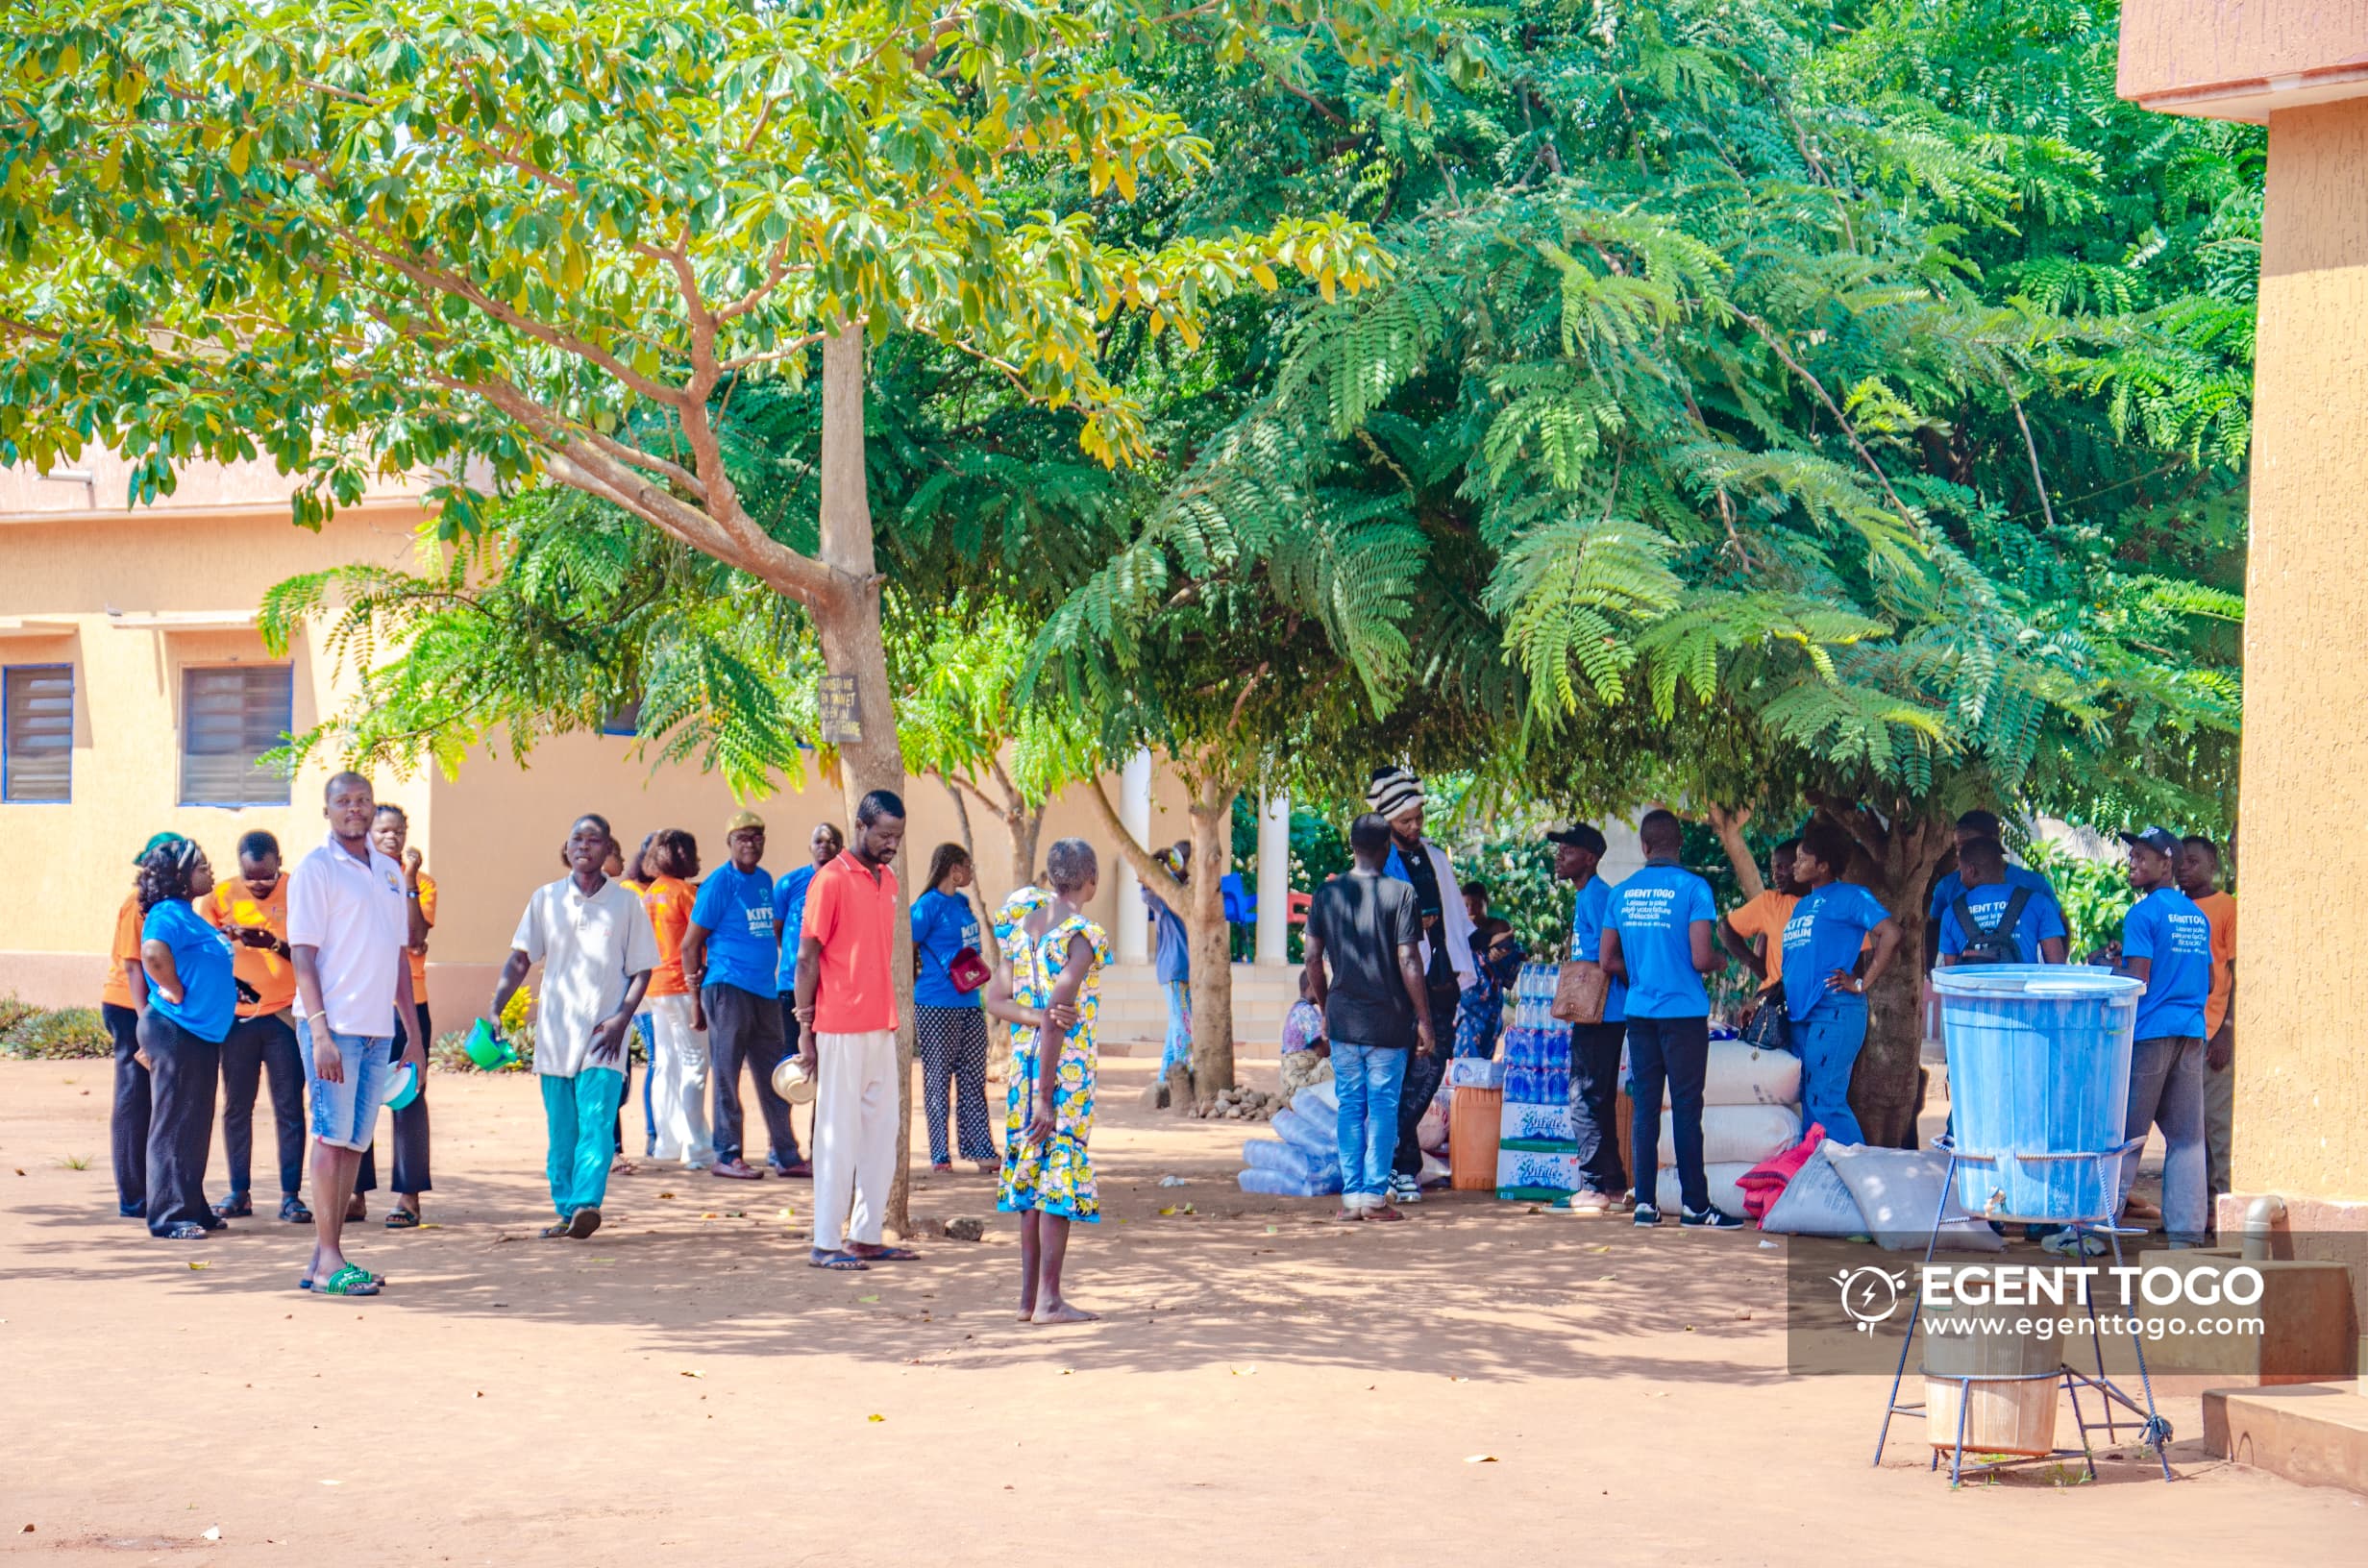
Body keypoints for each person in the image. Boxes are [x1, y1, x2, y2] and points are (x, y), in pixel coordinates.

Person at [486, 815, 659, 1239]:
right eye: (577, 839)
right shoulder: (545, 899)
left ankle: (586, 1202)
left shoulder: (626, 905)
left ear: (607, 850)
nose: (584, 846)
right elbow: (521, 958)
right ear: (566, 849)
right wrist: (495, 1006)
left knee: (597, 1120)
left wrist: (622, 1018)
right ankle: (565, 1209)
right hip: (555, 1036)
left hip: (604, 1035)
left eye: (594, 839)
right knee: (562, 1129)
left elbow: (641, 970)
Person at [287, 771, 425, 1297]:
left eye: (362, 800)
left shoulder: (390, 872)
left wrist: (412, 1035)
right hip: (334, 1029)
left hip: (376, 1032)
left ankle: (326, 1256)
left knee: (351, 1146)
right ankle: (328, 1261)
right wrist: (319, 1031)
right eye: (343, 801)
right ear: (327, 810)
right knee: (329, 1137)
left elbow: (397, 957)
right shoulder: (317, 869)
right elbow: (303, 954)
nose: (354, 808)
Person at [1599, 809, 1742, 1229]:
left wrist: (1643, 972)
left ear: (1644, 847)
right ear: (1679, 844)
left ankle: (1645, 1203)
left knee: (1644, 1110)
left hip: (1639, 1014)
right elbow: (1700, 956)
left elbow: (1607, 959)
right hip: (1684, 1016)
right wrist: (1720, 961)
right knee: (1684, 1108)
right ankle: (1695, 1205)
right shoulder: (1694, 888)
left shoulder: (1621, 893)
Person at [793, 789, 917, 1271]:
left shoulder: (888, 881)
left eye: (898, 837)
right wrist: (806, 1031)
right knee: (836, 1136)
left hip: (881, 1026)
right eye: (885, 835)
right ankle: (826, 1242)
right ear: (860, 826)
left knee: (880, 1138)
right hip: (839, 1027)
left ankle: (865, 1236)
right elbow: (807, 957)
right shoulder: (830, 880)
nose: (891, 845)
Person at [995, 837, 1108, 1317]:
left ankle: (1026, 1300)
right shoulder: (1082, 935)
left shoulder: (1022, 928)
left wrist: (1035, 1017)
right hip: (1061, 1075)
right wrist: (1047, 1097)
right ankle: (1050, 1299)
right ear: (1091, 881)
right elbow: (1061, 1013)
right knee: (1058, 1177)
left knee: (1030, 1176)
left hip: (1022, 1068)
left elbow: (995, 1001)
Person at [1302, 813, 1433, 1221]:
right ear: (1386, 848)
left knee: (1350, 1107)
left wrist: (1325, 1008)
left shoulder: (1326, 895)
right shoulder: (1402, 894)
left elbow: (1311, 957)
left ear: (1352, 846)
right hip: (1389, 1022)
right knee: (1382, 1108)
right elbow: (1409, 959)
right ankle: (1374, 1197)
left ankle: (1352, 1197)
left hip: (1343, 1019)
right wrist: (1424, 1019)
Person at [1367, 766, 1475, 1207]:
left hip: (1442, 978)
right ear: (1386, 820)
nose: (1414, 827)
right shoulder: (1376, 864)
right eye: (1405, 822)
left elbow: (1457, 917)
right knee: (1413, 1068)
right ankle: (1400, 1162)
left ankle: (1396, 1160)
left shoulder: (1435, 856)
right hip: (1403, 982)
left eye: (1418, 819)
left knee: (1432, 1066)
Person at [682, 810, 798, 1181]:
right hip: (727, 988)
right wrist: (694, 999)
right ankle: (727, 1154)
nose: (751, 843)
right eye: (743, 837)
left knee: (774, 1075)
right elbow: (690, 945)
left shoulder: (765, 880)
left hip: (765, 990)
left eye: (757, 837)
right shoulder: (719, 884)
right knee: (727, 1074)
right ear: (730, 843)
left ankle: (786, 1154)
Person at [2113, 826, 2212, 1243]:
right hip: (2191, 1033)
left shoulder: (2143, 915)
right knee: (2187, 1138)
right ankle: (2186, 1236)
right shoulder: (2196, 915)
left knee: (2126, 1136)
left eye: (2141, 857)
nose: (2132, 863)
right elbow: (2206, 980)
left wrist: (2108, 973)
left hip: (2150, 1034)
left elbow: (2138, 980)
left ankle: (2096, 1231)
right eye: (2132, 856)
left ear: (2166, 863)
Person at [135, 838, 236, 1239]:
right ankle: (169, 1216)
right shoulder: (166, 913)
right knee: (174, 1123)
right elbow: (153, 952)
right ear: (179, 877)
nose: (209, 871)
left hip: (198, 1033)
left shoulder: (188, 915)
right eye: (201, 866)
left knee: (193, 1122)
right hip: (175, 1030)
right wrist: (173, 987)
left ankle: (192, 1204)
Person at [1779, 824, 1905, 1147]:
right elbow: (1798, 963)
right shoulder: (1802, 906)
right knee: (1809, 1101)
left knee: (1826, 1102)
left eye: (1801, 859)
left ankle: (1860, 1177)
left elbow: (1890, 933)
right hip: (1800, 1016)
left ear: (1823, 865)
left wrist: (1862, 982)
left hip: (1833, 1012)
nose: (1794, 865)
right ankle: (1821, 1183)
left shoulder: (1851, 896)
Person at [207, 830, 310, 1223]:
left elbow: (308, 950)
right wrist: (225, 937)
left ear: (279, 862)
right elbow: (205, 947)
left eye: (267, 876)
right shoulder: (221, 896)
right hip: (239, 1018)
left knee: (288, 1107)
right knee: (237, 1107)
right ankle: (239, 1192)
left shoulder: (299, 891)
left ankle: (290, 1196)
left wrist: (271, 943)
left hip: (284, 1014)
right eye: (251, 878)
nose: (259, 885)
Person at [351, 803, 434, 1227]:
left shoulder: (422, 884)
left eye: (398, 831)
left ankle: (408, 1196)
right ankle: (355, 1193)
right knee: (358, 1099)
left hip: (409, 1007)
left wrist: (408, 880)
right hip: (365, 1003)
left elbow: (415, 939)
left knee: (408, 1098)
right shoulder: (355, 881)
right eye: (383, 830)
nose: (392, 837)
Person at [1552, 823, 1630, 1214]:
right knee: (1596, 1099)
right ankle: (1613, 1185)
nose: (1559, 855)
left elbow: (1616, 954)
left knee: (1582, 1097)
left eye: (1569, 849)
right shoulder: (1590, 896)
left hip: (1602, 1013)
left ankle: (1593, 1186)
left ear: (1591, 858)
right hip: (1601, 1013)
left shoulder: (1599, 896)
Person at [103, 836, 177, 1220]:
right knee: (133, 1101)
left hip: (150, 1005)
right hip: (129, 1005)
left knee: (152, 1101)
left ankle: (152, 1188)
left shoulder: (165, 905)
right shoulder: (138, 904)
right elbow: (134, 966)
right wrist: (146, 1022)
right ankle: (133, 1197)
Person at [912, 843, 996, 1174]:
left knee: (973, 1078)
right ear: (954, 870)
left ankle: (980, 1149)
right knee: (937, 1080)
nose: (972, 872)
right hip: (935, 1003)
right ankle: (939, 1156)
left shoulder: (962, 903)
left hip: (970, 1000)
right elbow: (907, 946)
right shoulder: (927, 906)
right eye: (968, 866)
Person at [768, 821, 843, 1170]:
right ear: (809, 846)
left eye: (832, 841)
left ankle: (820, 1151)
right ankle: (779, 1147)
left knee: (826, 1070)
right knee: (789, 1063)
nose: (824, 846)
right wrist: (799, 970)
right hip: (791, 986)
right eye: (818, 840)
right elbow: (780, 932)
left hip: (831, 989)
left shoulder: (844, 884)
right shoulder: (789, 884)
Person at [638, 829, 711, 1170]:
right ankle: (696, 1147)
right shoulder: (684, 893)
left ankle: (668, 1142)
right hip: (683, 986)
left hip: (655, 987)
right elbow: (700, 937)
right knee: (694, 1063)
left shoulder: (650, 893)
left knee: (667, 1064)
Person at [2180, 835, 2238, 1204]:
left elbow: (2237, 972)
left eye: (2194, 862)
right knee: (2188, 1130)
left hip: (2214, 1030)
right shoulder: (2172, 908)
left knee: (2218, 1127)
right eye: (2181, 862)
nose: (2185, 869)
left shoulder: (2227, 908)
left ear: (2213, 866)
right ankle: (2196, 1211)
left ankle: (2226, 1206)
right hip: (2182, 1033)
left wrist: (2227, 1033)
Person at [1926, 810, 2062, 965]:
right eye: (1958, 846)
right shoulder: (1947, 887)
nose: (1960, 852)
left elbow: (1952, 977)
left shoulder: (2034, 884)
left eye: (1967, 844)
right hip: (2022, 986)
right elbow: (1933, 926)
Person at [1718, 839, 1802, 1004]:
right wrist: (1757, 966)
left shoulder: (1825, 902)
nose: (1775, 875)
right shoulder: (1770, 902)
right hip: (1778, 1000)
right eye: (1774, 868)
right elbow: (1724, 928)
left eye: (1782, 868)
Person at [1144, 842, 1192, 1096]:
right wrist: (1156, 861)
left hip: (1184, 969)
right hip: (1175, 968)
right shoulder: (1167, 893)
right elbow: (1145, 889)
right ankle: (1182, 1079)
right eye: (1179, 859)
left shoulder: (1192, 892)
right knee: (1184, 1027)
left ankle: (1164, 1082)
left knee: (1177, 1025)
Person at [1277, 969, 1332, 1098]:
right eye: (1323, 987)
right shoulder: (1306, 1012)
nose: (1326, 992)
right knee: (1344, 1062)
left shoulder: (1297, 1009)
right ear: (1312, 987)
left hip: (1290, 1079)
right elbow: (1323, 1051)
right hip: (1299, 1080)